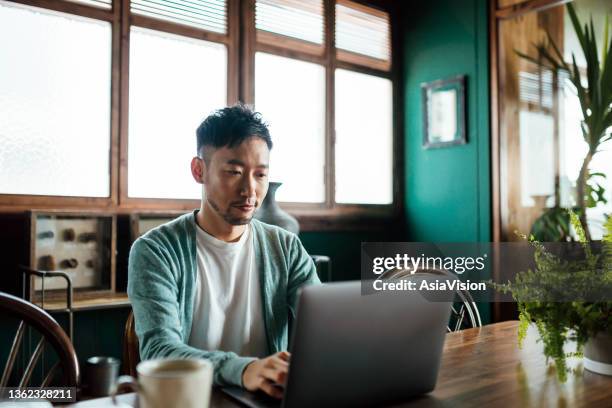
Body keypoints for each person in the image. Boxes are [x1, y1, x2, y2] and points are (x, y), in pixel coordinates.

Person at [128, 104, 320, 399]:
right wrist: (244, 370)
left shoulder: (285, 247)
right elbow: (159, 351)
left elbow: (323, 327)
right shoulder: (155, 251)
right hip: (190, 400)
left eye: (260, 175)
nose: (250, 190)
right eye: (234, 171)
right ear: (199, 170)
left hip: (264, 400)